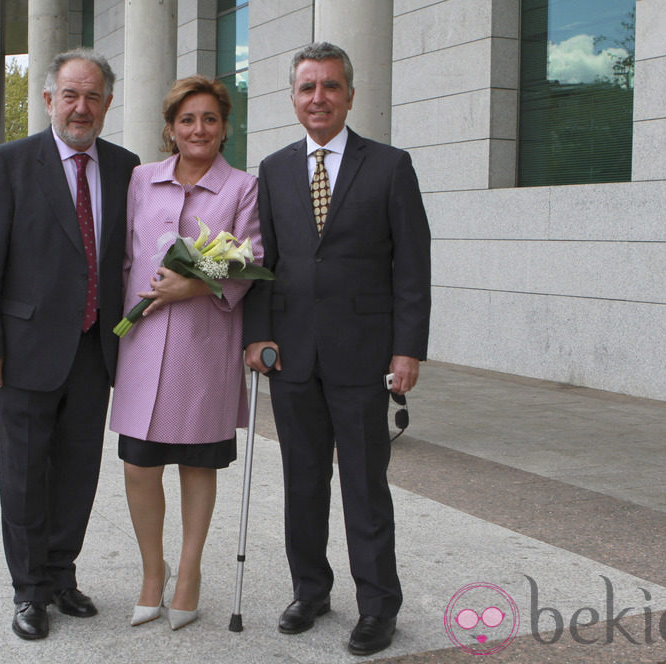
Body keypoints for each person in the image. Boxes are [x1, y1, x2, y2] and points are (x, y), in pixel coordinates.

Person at [242, 42, 432, 657]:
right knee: (302, 480)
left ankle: (378, 605)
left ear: (350, 94)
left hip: (363, 353)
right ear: (293, 98)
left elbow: (412, 267)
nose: (317, 97)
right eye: (306, 87)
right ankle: (311, 589)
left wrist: (407, 349)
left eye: (329, 86)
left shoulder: (390, 166)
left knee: (364, 485)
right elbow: (261, 261)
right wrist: (258, 334)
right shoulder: (271, 170)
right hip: (292, 355)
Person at [0, 49, 140, 640]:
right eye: (70, 95)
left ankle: (62, 575)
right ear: (49, 101)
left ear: (108, 104)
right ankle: (28, 590)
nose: (81, 107)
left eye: (93, 96)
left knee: (77, 471)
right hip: (24, 350)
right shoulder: (10, 163)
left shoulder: (125, 167)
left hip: (96, 350)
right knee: (24, 474)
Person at [109, 75, 261, 631]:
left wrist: (193, 284)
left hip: (205, 347)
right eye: (187, 120)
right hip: (145, 342)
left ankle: (190, 573)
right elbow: (123, 255)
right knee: (139, 465)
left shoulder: (243, 187)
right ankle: (154, 571)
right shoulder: (140, 180)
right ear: (171, 129)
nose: (199, 129)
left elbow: (249, 262)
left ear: (224, 127)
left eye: (210, 119)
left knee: (198, 464)